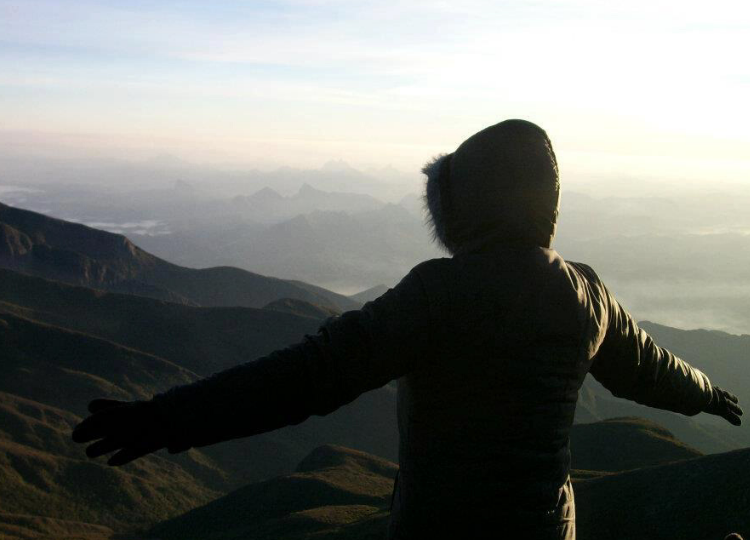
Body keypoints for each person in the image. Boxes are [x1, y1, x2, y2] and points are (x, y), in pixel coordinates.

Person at [72, 119, 743, 540]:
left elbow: (307, 376)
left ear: (467, 202)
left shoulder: (436, 294)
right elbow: (651, 366)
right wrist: (708, 393)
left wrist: (168, 418)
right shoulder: (586, 294)